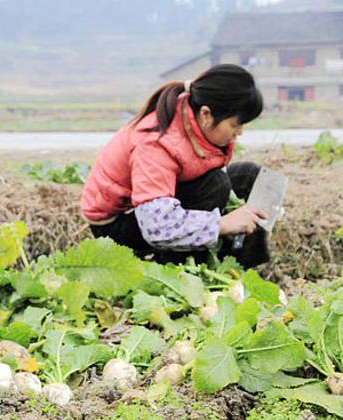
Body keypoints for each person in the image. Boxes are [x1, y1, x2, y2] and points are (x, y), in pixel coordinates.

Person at [81, 64, 270, 267]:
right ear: (206, 114)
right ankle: (180, 273)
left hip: (158, 202)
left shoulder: (200, 125)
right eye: (235, 125)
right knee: (214, 185)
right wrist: (222, 224)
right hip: (119, 223)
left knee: (250, 176)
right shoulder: (156, 143)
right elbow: (156, 227)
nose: (240, 132)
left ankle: (240, 269)